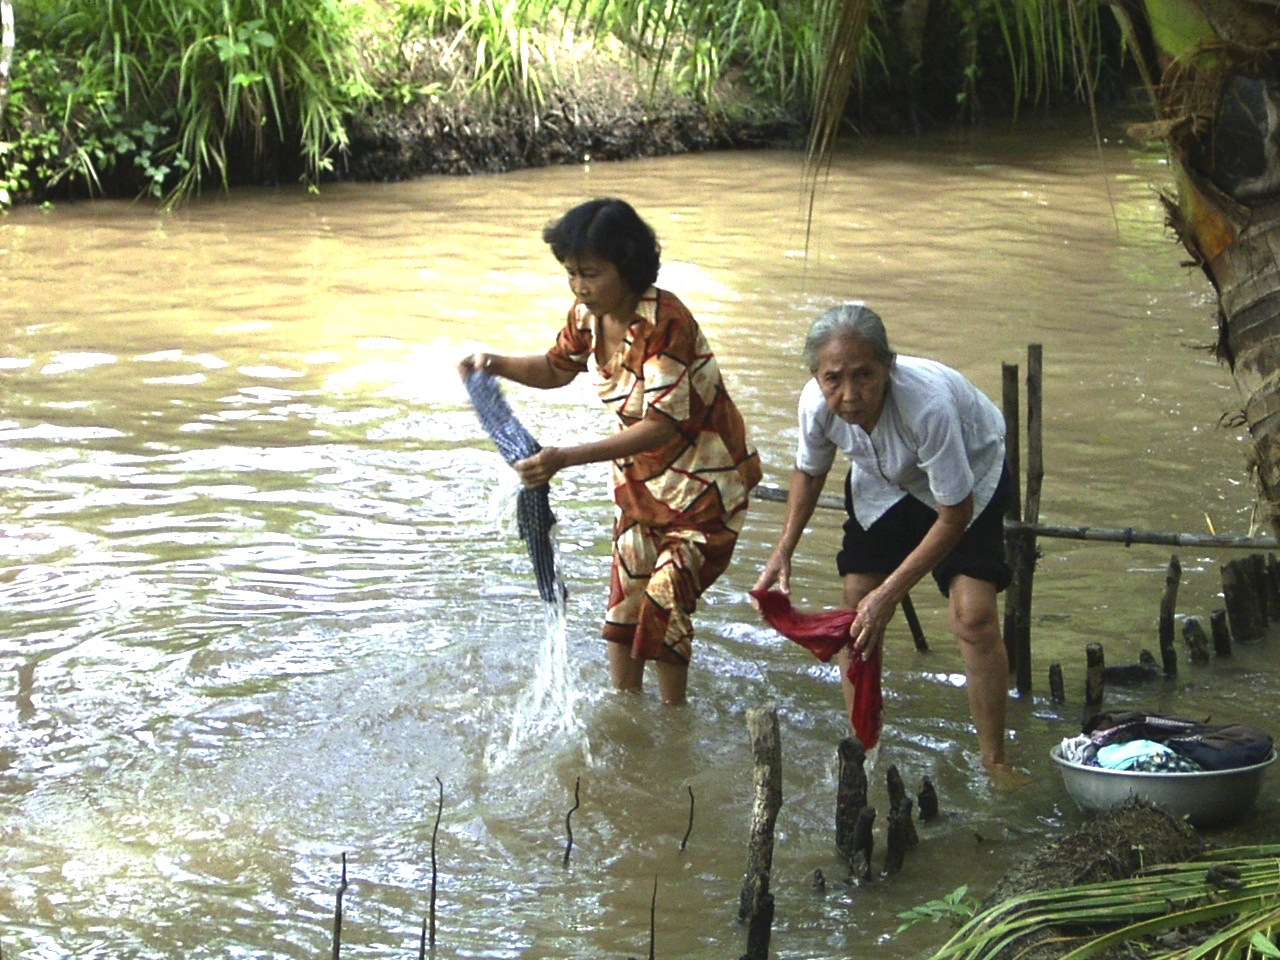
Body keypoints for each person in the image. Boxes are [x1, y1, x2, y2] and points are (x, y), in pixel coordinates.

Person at [458, 198, 762, 705]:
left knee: (665, 601)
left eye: (592, 274)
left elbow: (661, 425)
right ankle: (626, 711)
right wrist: (494, 364)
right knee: (625, 602)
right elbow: (557, 368)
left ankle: (672, 722)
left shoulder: (666, 322)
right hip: (642, 488)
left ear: (628, 266)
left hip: (706, 487)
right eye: (572, 274)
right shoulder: (587, 315)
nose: (580, 286)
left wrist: (564, 457)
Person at [752, 302, 1013, 771]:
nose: (849, 394)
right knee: (857, 605)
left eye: (865, 375)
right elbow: (809, 473)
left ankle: (995, 762)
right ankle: (864, 747)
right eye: (834, 378)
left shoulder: (926, 406)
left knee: (973, 617)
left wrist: (891, 592)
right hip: (884, 479)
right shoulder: (816, 404)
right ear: (816, 376)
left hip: (969, 472)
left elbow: (953, 514)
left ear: (888, 367)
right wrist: (783, 549)